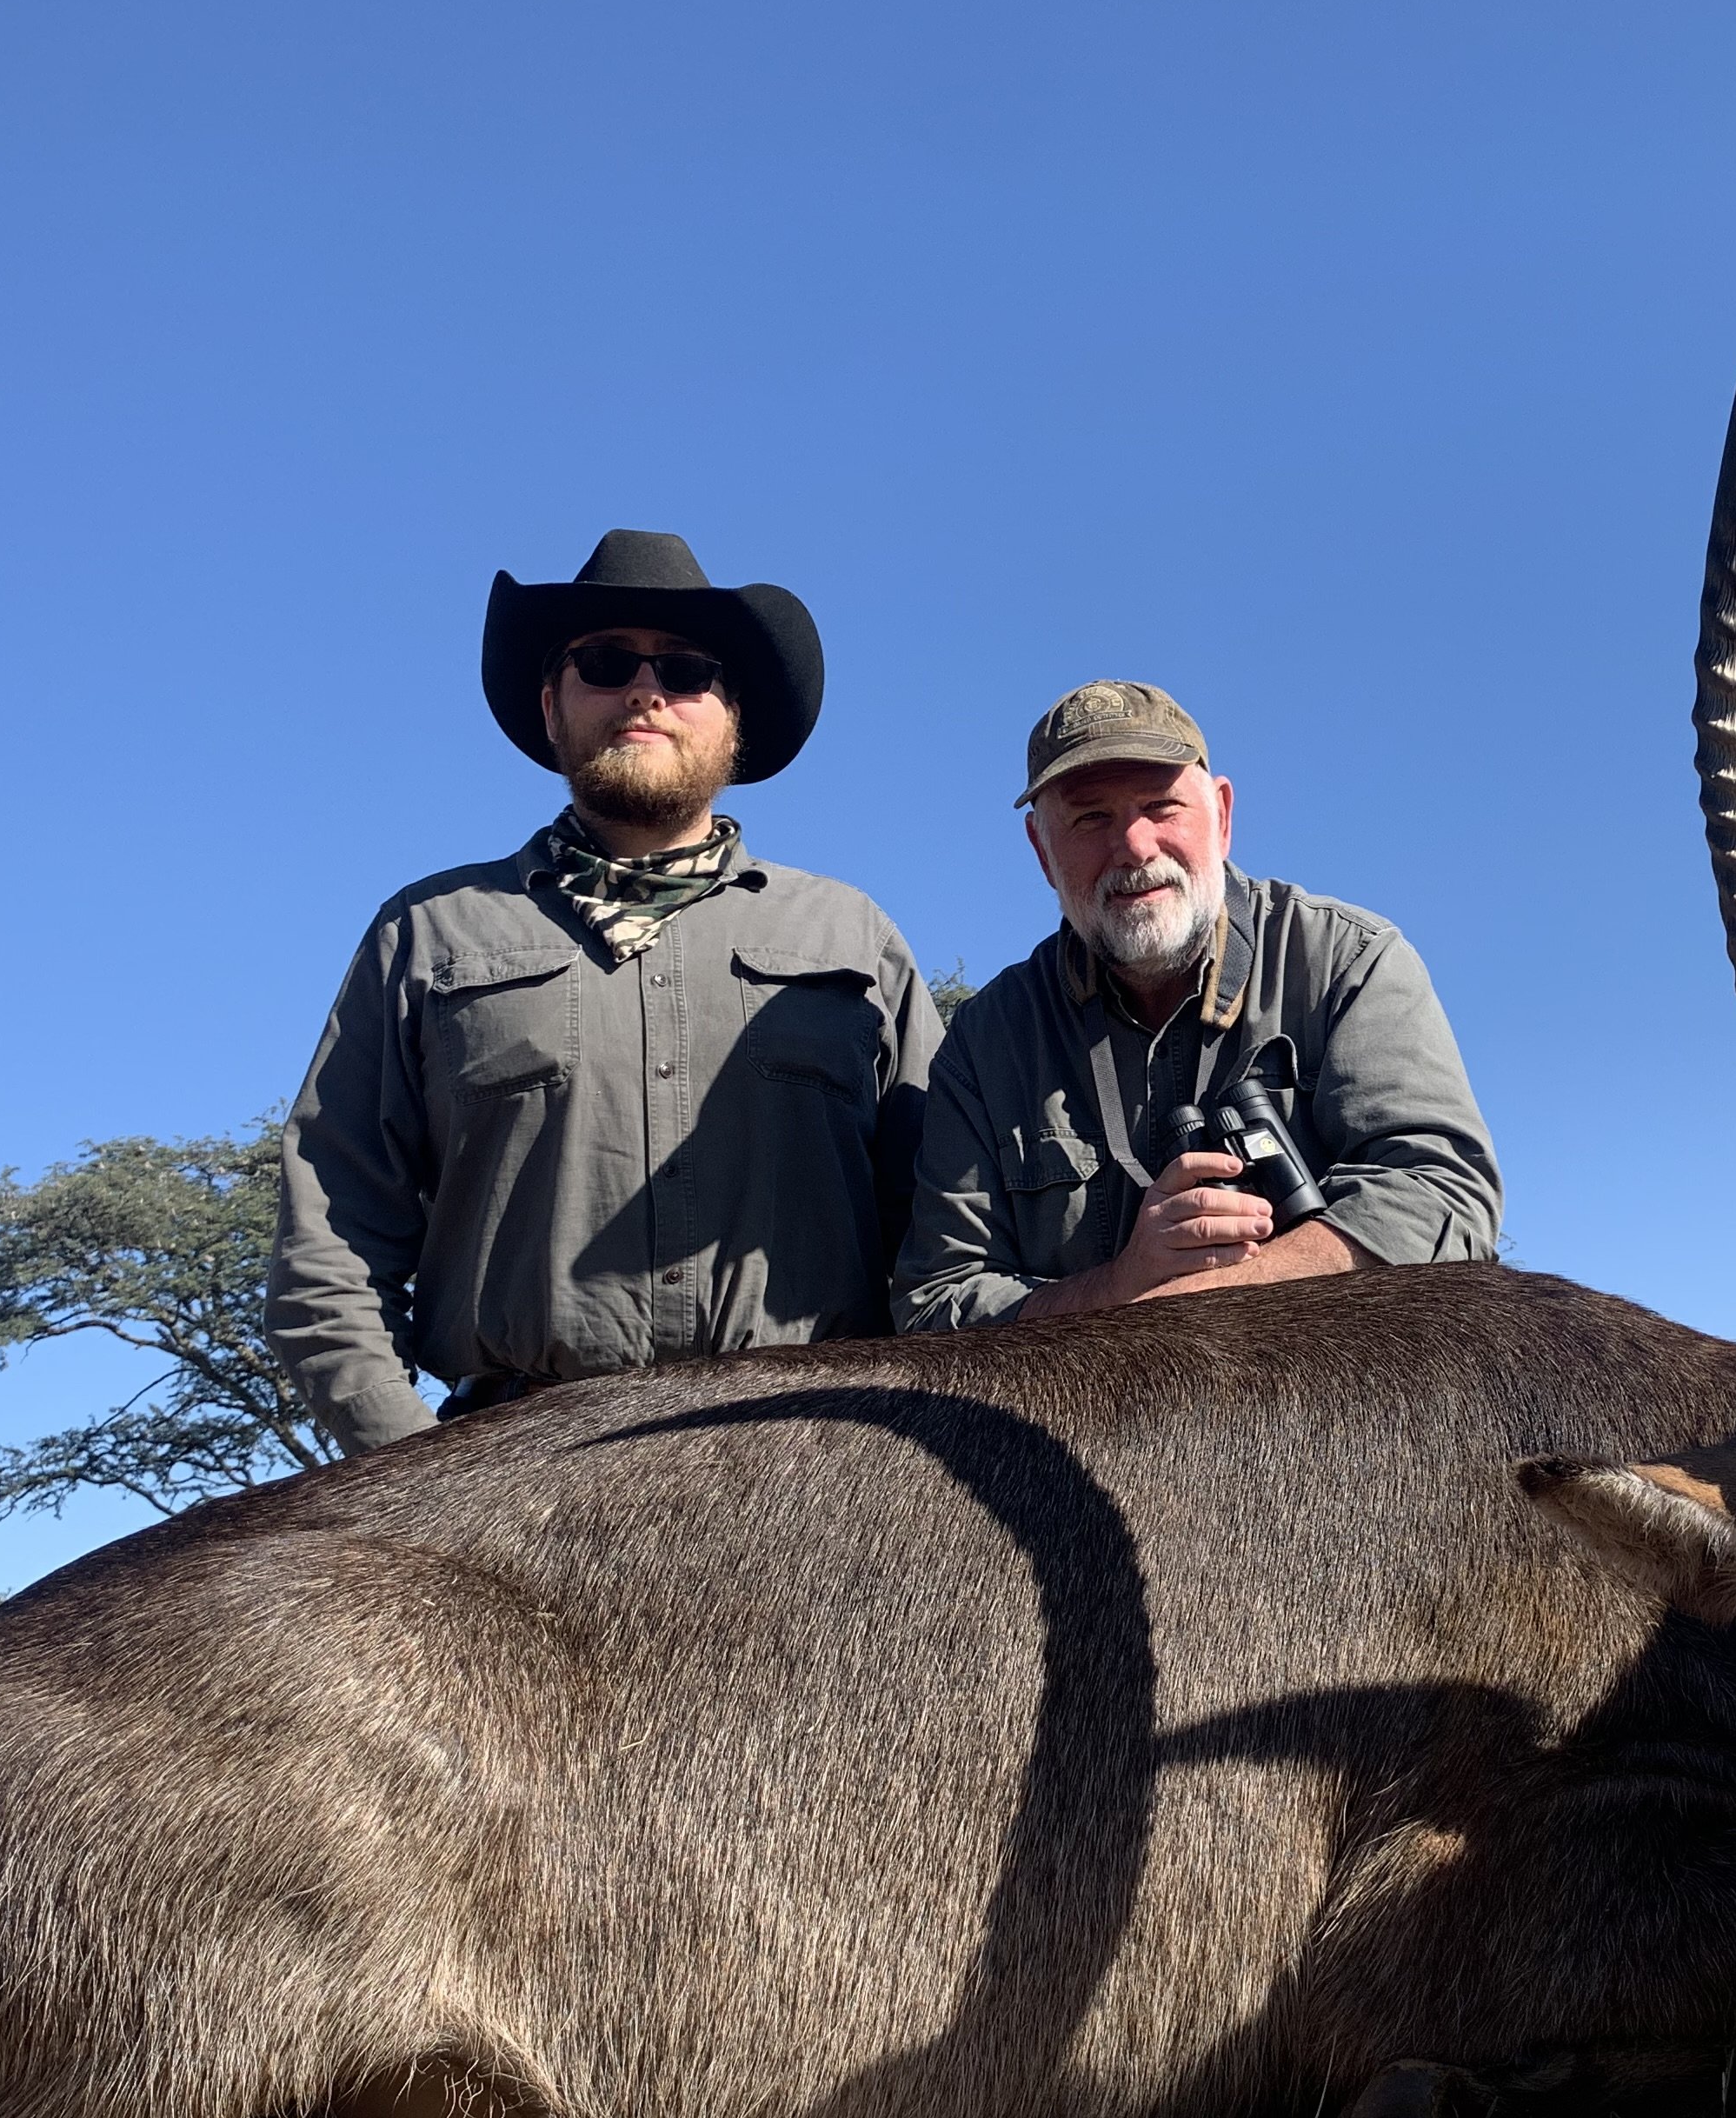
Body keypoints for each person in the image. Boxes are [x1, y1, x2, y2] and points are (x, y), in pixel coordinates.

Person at [272, 530, 939, 1454]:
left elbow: (943, 1226)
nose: (645, 689)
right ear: (551, 706)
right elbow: (331, 1241)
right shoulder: (428, 932)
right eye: (606, 661)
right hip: (510, 1481)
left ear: (732, 715)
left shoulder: (850, 937)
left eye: (688, 669)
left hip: (815, 1472)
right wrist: (415, 1476)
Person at [895, 679, 1499, 1329]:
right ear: (1042, 851)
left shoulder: (1348, 961)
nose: (1135, 846)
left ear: (1223, 815)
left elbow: (1444, 1193)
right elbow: (935, 1299)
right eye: (1090, 817)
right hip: (1096, 1420)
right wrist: (1122, 1285)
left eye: (1162, 806)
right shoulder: (987, 1042)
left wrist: (1201, 1302)